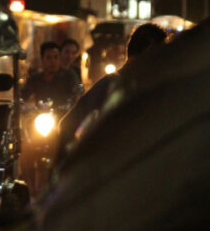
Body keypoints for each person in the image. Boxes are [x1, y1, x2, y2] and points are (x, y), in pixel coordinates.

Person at [57, 23, 167, 155]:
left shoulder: (146, 89)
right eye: (160, 56)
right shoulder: (112, 86)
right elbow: (67, 126)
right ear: (149, 51)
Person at [22, 41, 83, 107]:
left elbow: (77, 95)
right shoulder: (35, 79)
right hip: (42, 112)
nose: (53, 61)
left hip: (65, 112)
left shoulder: (69, 76)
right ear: (42, 60)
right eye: (48, 58)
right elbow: (23, 97)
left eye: (56, 57)